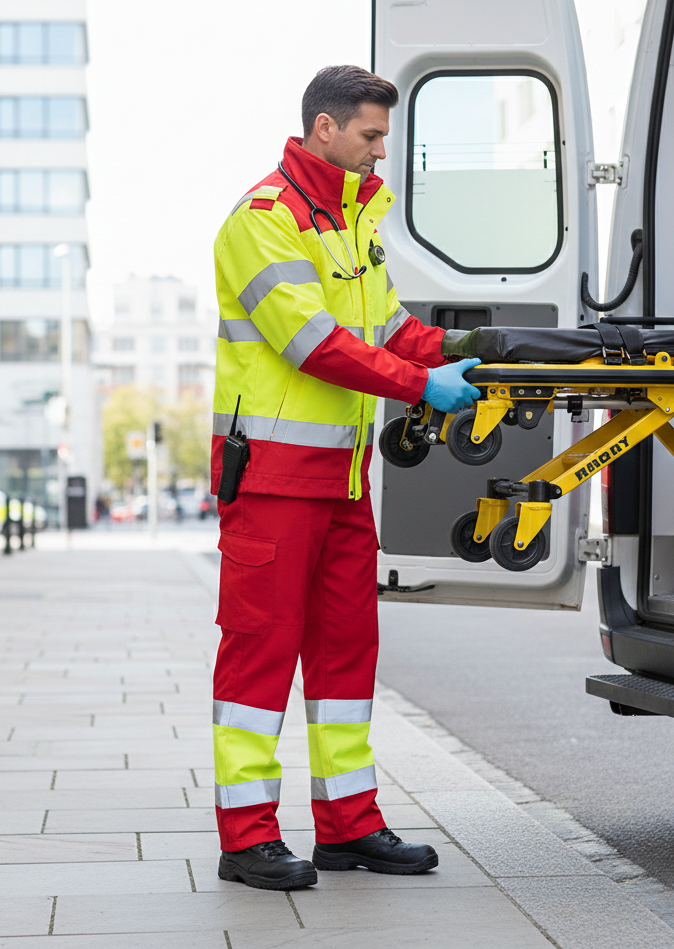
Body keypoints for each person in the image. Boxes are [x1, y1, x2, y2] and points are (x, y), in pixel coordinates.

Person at [210, 65, 480, 891]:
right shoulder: (262, 222)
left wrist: (467, 352)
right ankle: (247, 838)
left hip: (343, 482)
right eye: (370, 136)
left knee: (344, 660)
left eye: (384, 137)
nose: (380, 152)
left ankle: (349, 826)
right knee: (259, 661)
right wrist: (419, 386)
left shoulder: (352, 220)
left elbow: (387, 327)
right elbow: (314, 342)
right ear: (323, 130)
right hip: (272, 484)